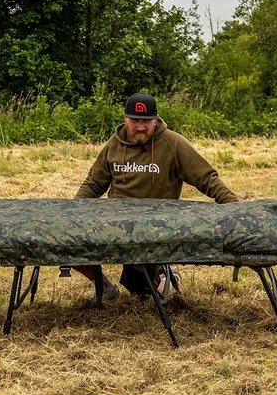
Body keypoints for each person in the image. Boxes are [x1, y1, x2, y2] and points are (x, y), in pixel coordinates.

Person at [73, 92, 239, 299]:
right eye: (135, 121)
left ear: (156, 120)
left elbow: (206, 178)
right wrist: (73, 211)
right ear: (125, 118)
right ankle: (104, 286)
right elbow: (93, 184)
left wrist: (234, 206)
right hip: (117, 222)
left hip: (157, 226)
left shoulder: (173, 143)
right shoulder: (113, 145)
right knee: (67, 244)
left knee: (145, 291)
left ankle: (165, 270)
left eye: (146, 121)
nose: (141, 127)